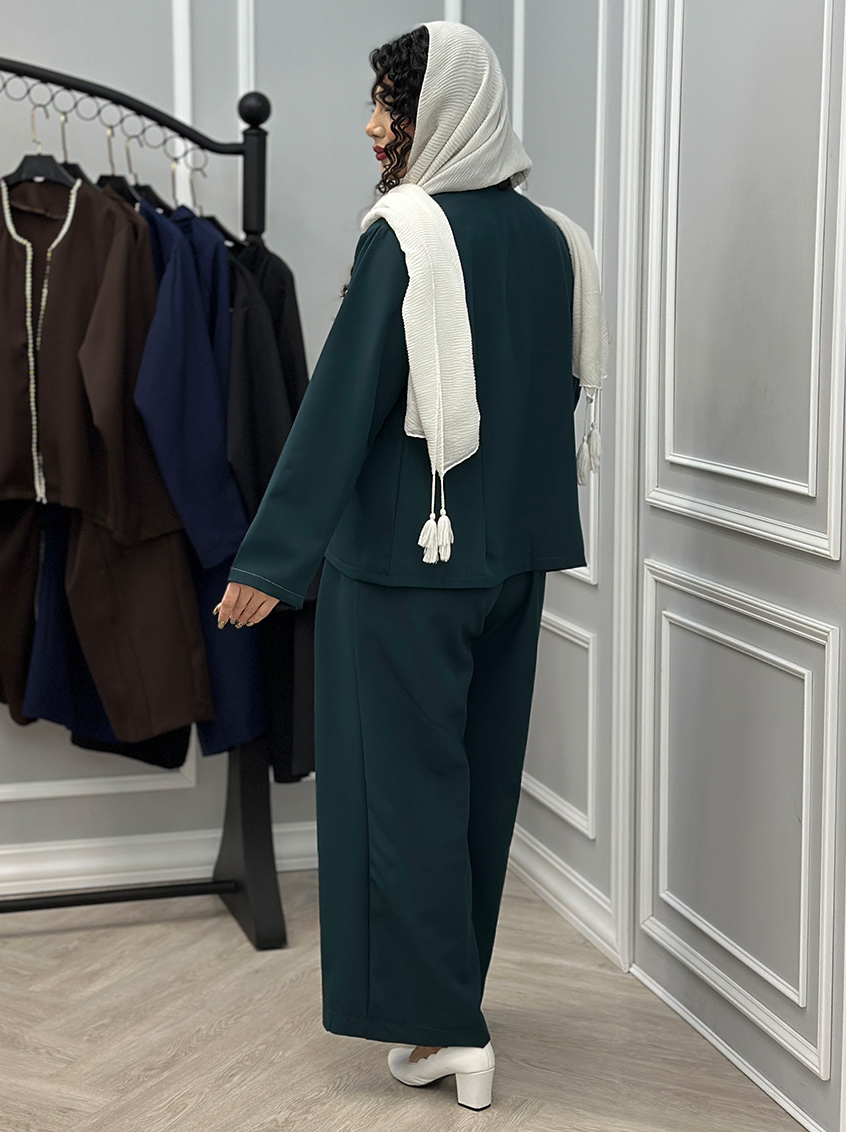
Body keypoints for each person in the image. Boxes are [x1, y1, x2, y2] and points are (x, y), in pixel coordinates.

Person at [216, 19, 607, 1113]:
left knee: (399, 803)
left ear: (441, 111)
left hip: (403, 568)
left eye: (388, 102)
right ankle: (448, 1014)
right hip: (515, 565)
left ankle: (449, 1028)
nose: (373, 126)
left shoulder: (406, 233)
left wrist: (271, 560)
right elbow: (557, 403)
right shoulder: (556, 240)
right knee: (474, 791)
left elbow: (342, 401)